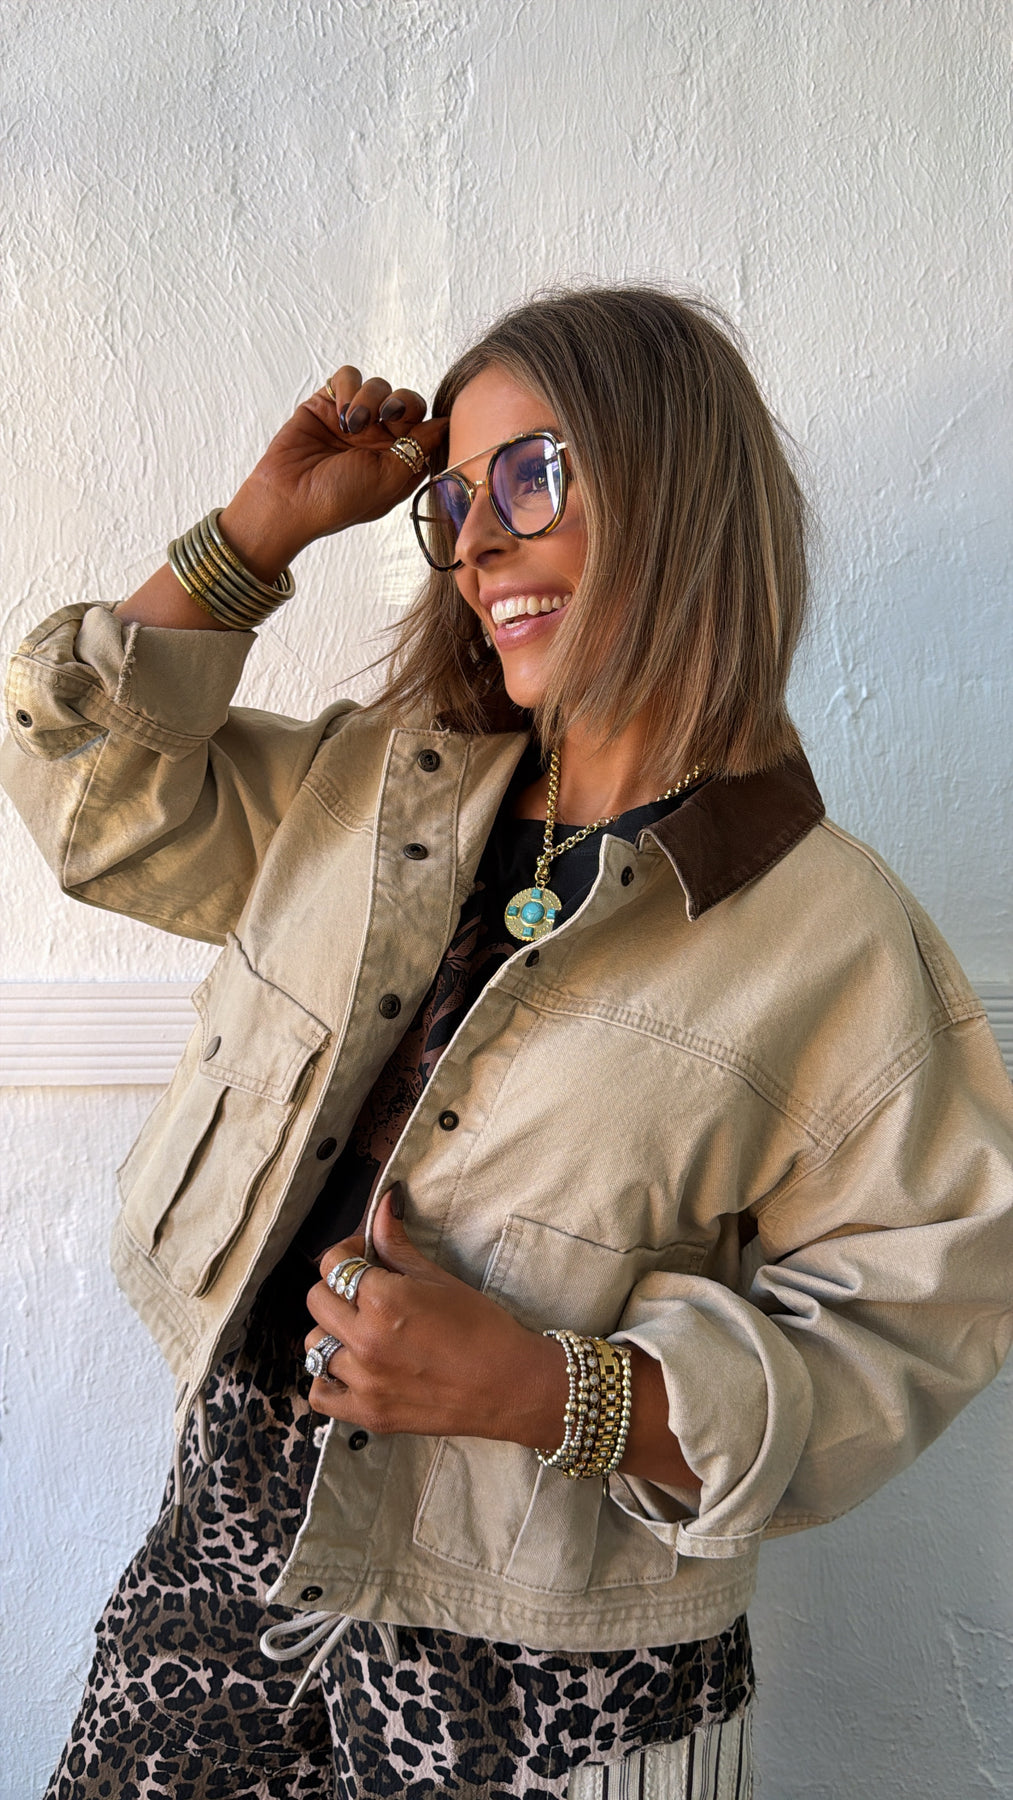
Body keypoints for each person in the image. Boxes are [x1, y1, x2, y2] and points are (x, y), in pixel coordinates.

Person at [3, 285, 1011, 1800]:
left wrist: (554, 1392)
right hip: (221, 1579)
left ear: (677, 494)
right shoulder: (372, 796)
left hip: (546, 1683)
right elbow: (92, 799)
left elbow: (911, 1329)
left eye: (532, 477)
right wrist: (259, 530)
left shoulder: (832, 936)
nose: (473, 542)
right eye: (456, 499)